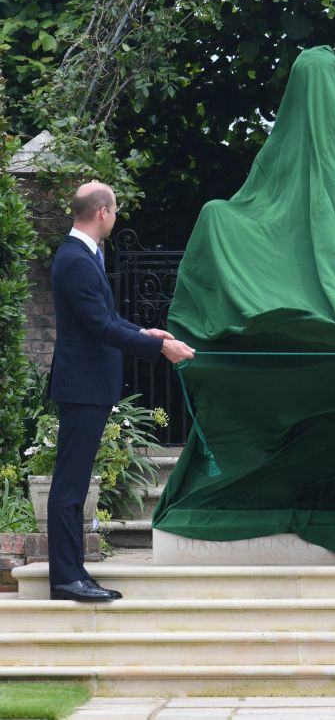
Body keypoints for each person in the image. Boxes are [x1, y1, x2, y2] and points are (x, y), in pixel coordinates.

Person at [48, 181, 195, 602]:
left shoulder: (88, 254)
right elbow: (100, 328)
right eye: (114, 210)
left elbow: (108, 317)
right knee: (70, 486)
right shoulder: (75, 259)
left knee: (74, 485)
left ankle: (74, 573)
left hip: (88, 385)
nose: (115, 217)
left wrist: (143, 331)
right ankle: (66, 579)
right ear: (102, 213)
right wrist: (160, 346)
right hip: (81, 387)